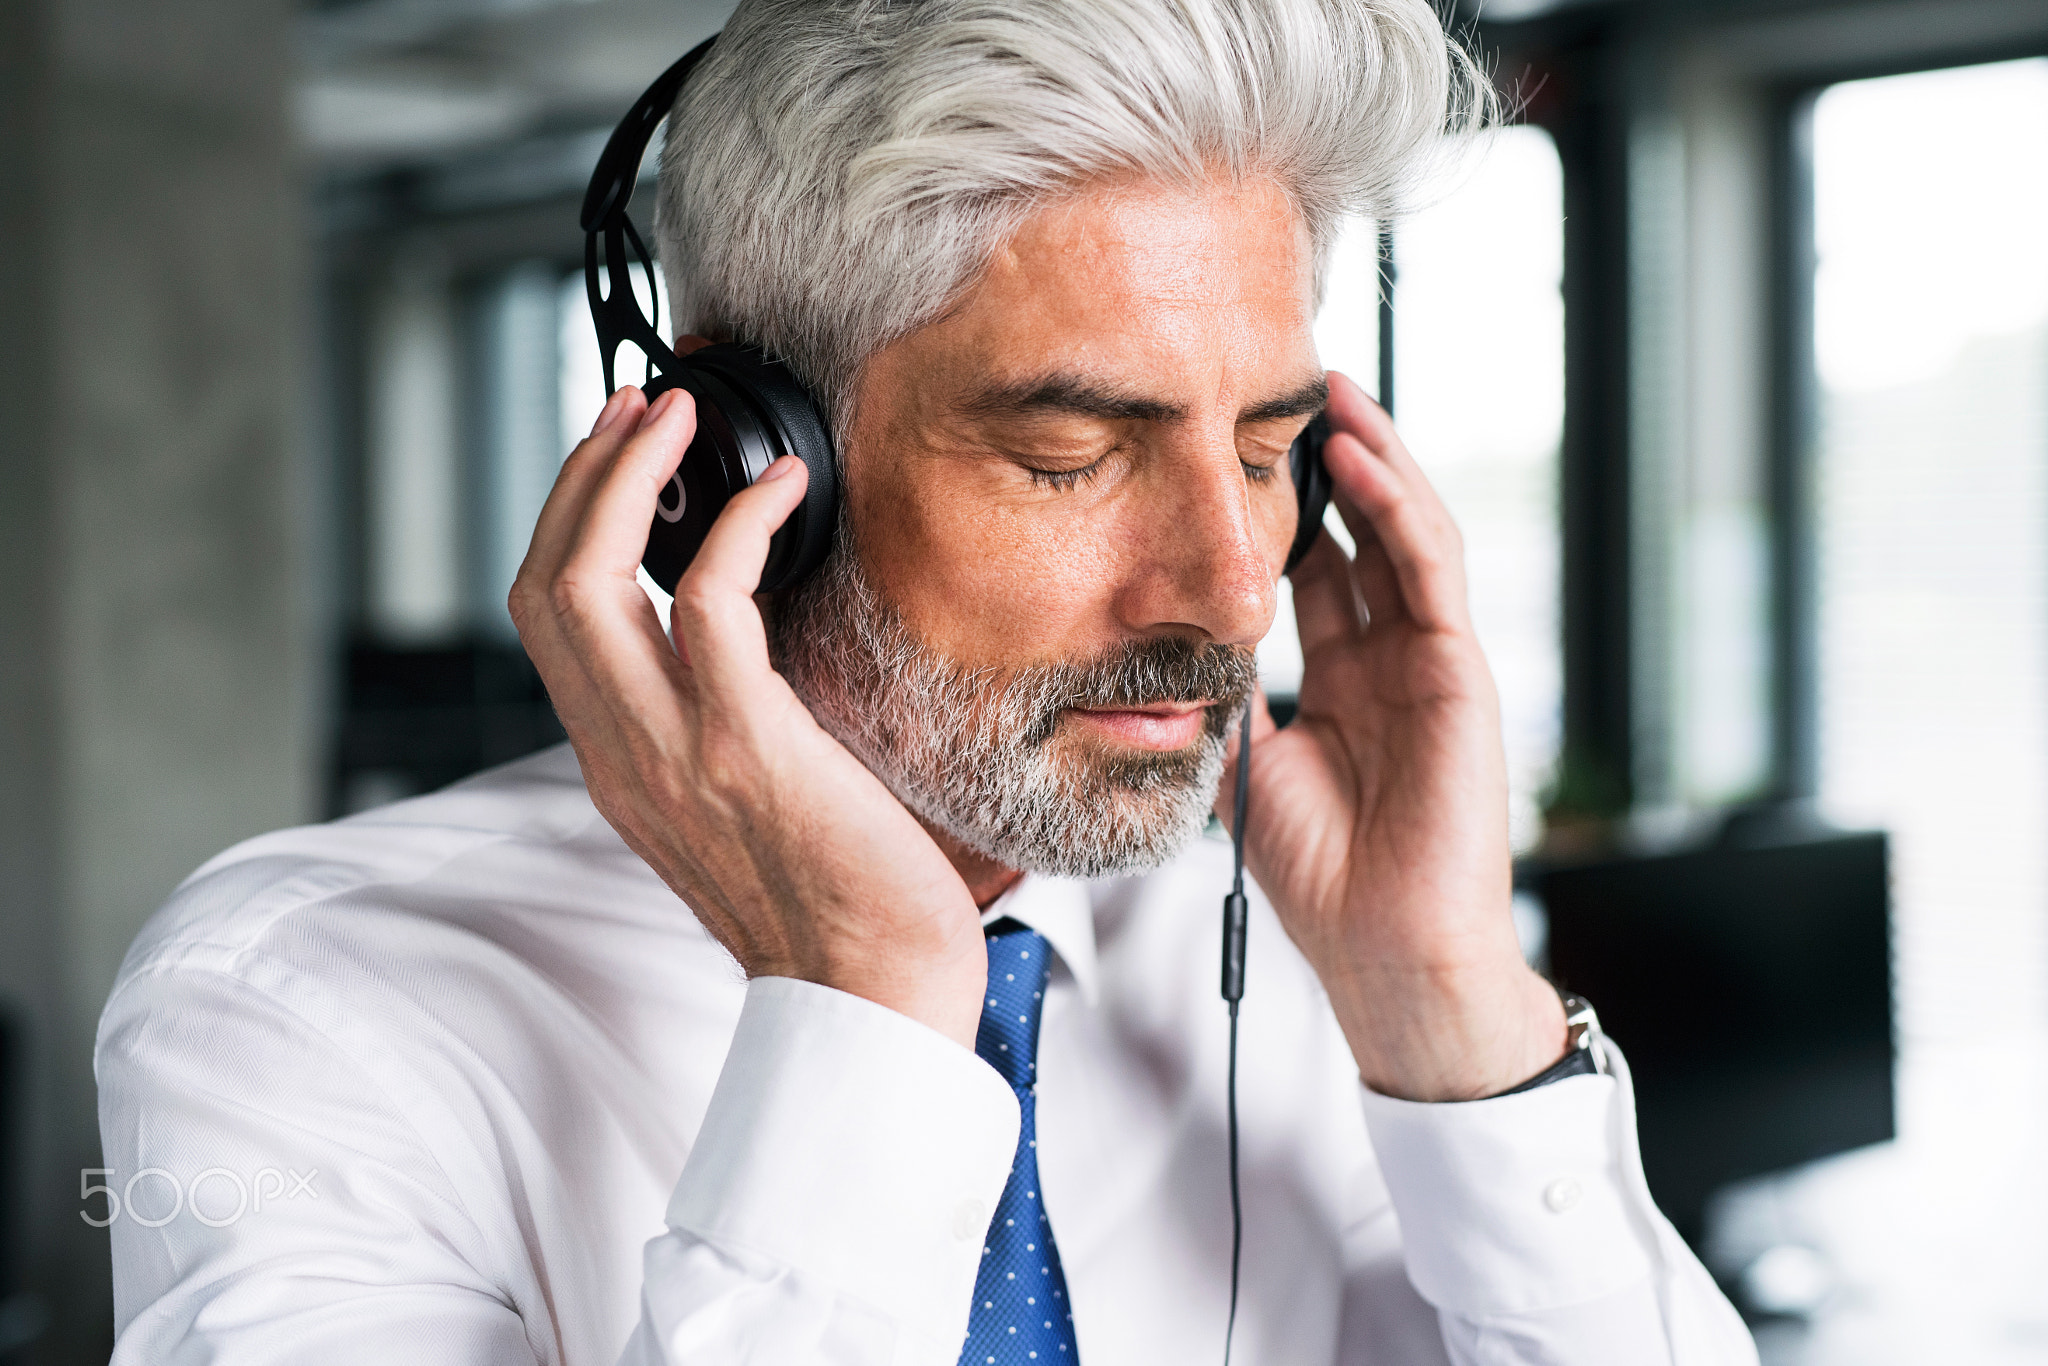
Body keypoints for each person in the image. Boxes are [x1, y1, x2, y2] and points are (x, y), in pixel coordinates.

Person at [96, 0, 1759, 1362]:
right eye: (1067, 455)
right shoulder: (302, 1003)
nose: (1236, 589)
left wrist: (1452, 1007)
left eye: (1267, 450)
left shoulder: (1297, 961)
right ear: (742, 470)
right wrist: (874, 1003)